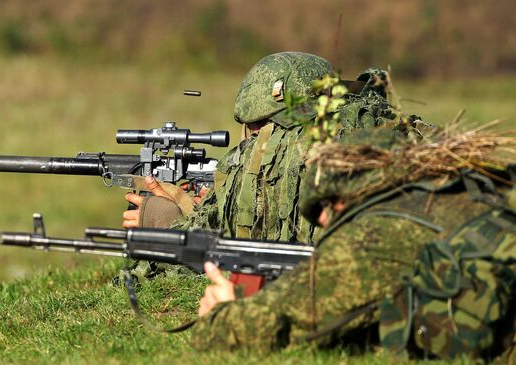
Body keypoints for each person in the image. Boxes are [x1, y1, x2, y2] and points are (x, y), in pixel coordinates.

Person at [190, 127, 516, 361]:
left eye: (319, 211)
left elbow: (259, 327)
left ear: (339, 199)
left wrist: (222, 312)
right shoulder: (465, 193)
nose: (321, 223)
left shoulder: (372, 238)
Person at [122, 52, 406, 244]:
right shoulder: (368, 135)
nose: (255, 140)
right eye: (253, 129)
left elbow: (235, 252)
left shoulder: (300, 158)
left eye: (262, 128)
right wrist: (195, 205)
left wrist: (161, 222)